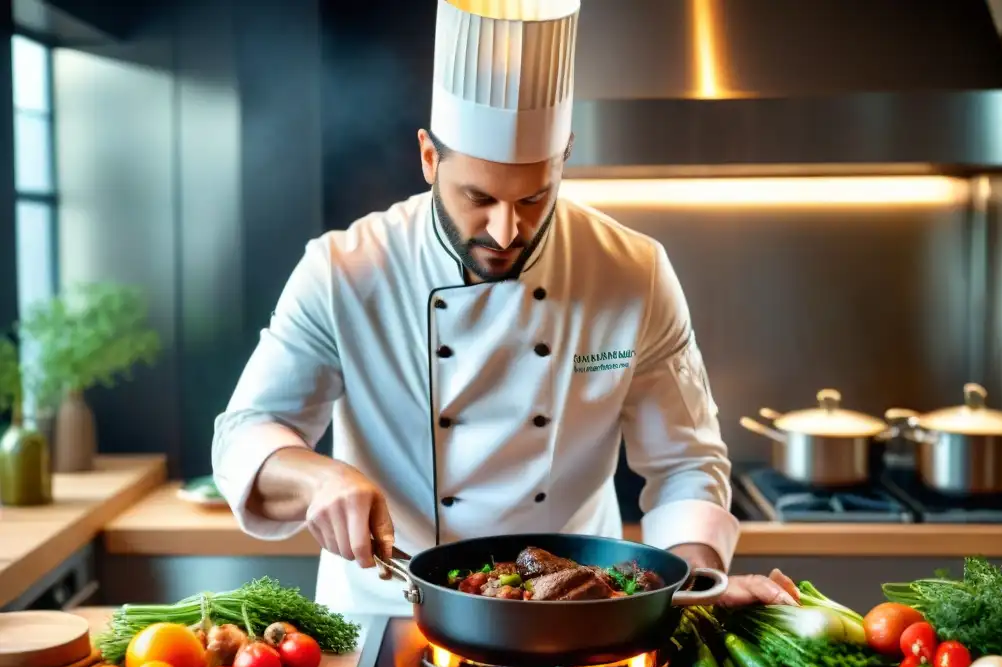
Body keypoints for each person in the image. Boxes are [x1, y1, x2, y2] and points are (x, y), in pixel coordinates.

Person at [211, 0, 799, 634]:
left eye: (534, 197)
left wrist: (696, 583)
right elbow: (247, 432)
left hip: (580, 618)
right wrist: (317, 478)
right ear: (429, 159)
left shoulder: (633, 272)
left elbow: (685, 463)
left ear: (565, 154)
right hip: (381, 618)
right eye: (478, 198)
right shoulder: (344, 271)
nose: (506, 228)